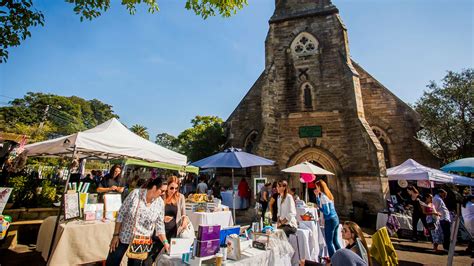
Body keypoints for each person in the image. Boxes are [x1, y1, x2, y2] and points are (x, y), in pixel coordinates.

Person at [106, 178, 168, 266]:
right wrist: (115, 235)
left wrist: (165, 242)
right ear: (154, 188)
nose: (163, 193)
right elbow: (121, 214)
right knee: (112, 262)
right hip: (124, 236)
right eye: (162, 191)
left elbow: (160, 226)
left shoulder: (160, 203)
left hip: (141, 241)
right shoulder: (135, 194)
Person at [314, 180, 340, 257]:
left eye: (316, 187)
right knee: (335, 241)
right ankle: (341, 257)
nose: (316, 188)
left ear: (319, 187)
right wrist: (317, 196)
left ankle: (332, 260)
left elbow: (327, 212)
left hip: (330, 220)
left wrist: (318, 208)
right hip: (335, 218)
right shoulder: (328, 195)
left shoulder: (323, 197)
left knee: (329, 242)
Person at [164, 176, 188, 241]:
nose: (174, 190)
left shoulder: (180, 197)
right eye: (171, 188)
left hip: (173, 231)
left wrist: (184, 220)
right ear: (167, 186)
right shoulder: (162, 196)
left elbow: (183, 214)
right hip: (161, 230)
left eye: (176, 188)